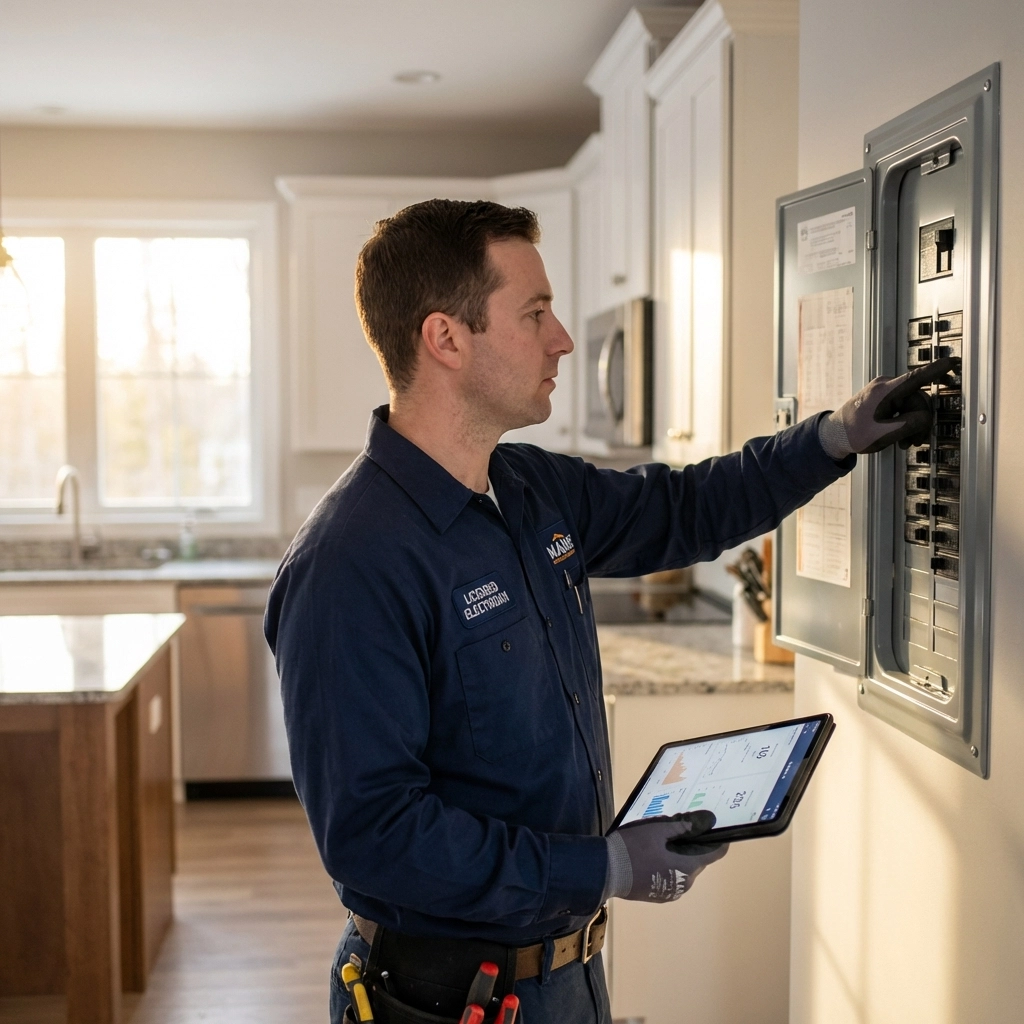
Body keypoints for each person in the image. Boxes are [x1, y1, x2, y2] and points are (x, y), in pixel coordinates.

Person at [264, 200, 955, 1024]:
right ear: (445, 339)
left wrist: (833, 438)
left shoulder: (528, 487)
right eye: (534, 314)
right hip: (444, 1000)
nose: (559, 338)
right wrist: (604, 868)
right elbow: (378, 836)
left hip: (568, 976)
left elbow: (684, 507)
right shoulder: (349, 565)